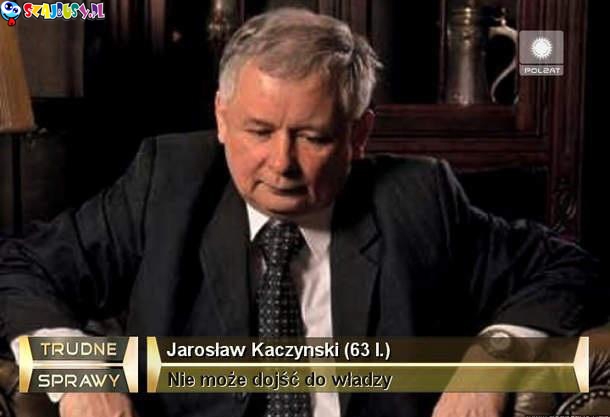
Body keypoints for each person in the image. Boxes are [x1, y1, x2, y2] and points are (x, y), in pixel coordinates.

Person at [0, 7, 606, 417]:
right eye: (258, 131)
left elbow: (568, 269)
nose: (281, 163)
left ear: (359, 135)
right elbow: (20, 270)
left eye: (312, 137)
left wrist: (493, 362)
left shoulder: (418, 197)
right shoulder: (168, 183)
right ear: (221, 118)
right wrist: (76, 370)